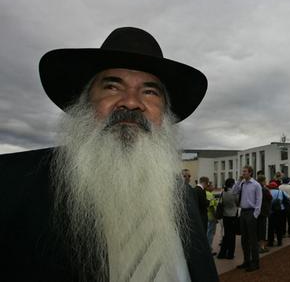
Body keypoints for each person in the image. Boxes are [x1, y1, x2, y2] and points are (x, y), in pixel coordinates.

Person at [0, 27, 218, 282]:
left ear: (165, 115)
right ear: (84, 102)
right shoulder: (11, 183)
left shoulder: (182, 195)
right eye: (113, 87)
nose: (131, 102)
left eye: (150, 92)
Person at [232, 166, 262, 272]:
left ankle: (255, 262)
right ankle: (246, 261)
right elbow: (234, 192)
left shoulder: (256, 185)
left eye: (244, 171)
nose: (243, 173)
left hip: (251, 212)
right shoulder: (242, 183)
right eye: (242, 171)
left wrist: (255, 215)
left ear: (250, 173)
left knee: (252, 239)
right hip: (243, 212)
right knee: (244, 239)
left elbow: (259, 200)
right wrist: (239, 180)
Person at [217, 178, 239, 260]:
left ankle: (222, 253)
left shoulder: (223, 192)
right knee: (232, 236)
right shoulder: (234, 193)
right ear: (232, 184)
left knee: (226, 235)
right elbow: (238, 202)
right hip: (233, 215)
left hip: (225, 215)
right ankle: (230, 254)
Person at [256, 175, 272, 253]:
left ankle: (258, 245)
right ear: (262, 181)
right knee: (263, 229)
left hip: (257, 211)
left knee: (258, 229)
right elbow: (270, 197)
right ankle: (262, 247)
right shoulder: (264, 189)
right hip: (264, 211)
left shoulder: (255, 188)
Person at [267, 181, 286, 247]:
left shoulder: (268, 191)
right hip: (279, 210)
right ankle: (279, 241)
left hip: (271, 211)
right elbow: (284, 199)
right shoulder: (280, 192)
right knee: (279, 227)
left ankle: (271, 242)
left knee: (270, 227)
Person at [206, 181, 218, 254]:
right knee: (210, 233)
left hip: (206, 216)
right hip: (211, 217)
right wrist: (215, 217)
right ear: (208, 186)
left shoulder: (204, 193)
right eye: (212, 185)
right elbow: (212, 207)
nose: (213, 187)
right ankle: (209, 248)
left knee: (207, 232)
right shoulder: (210, 195)